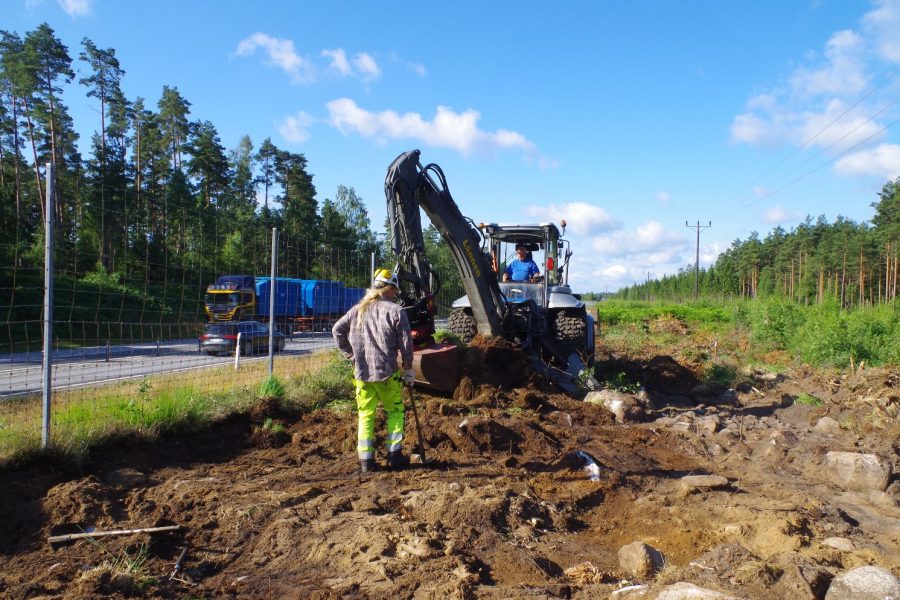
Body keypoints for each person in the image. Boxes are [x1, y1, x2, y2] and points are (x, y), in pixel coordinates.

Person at [332, 268, 415, 474]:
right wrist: (408, 368)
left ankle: (366, 461)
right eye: (394, 289)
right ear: (389, 288)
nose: (396, 293)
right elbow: (406, 344)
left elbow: (337, 330)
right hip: (388, 374)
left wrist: (351, 355)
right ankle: (394, 454)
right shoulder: (397, 311)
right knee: (395, 411)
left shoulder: (357, 310)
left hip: (362, 374)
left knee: (365, 415)